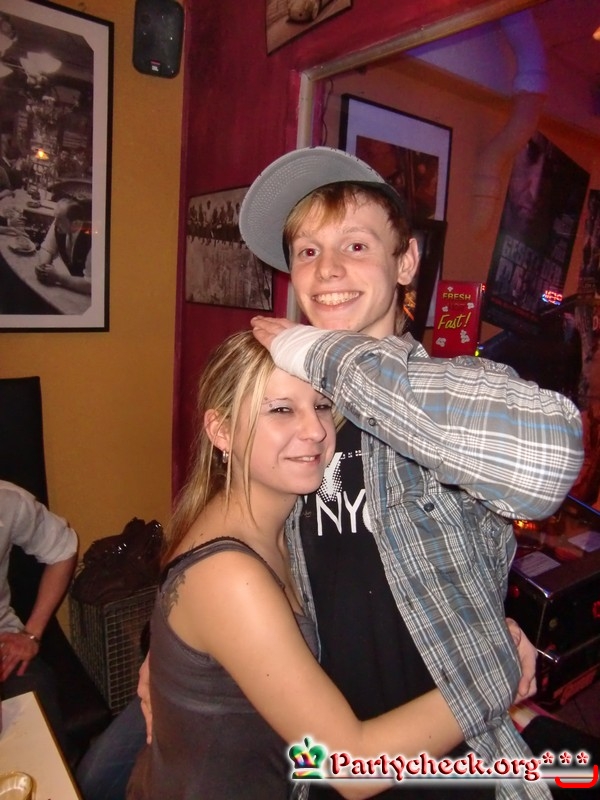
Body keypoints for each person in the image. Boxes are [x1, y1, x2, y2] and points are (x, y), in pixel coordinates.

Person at [77, 148, 583, 800]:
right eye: (308, 251)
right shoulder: (301, 414)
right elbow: (233, 554)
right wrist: (172, 656)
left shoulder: (457, 394)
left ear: (406, 261)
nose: (329, 269)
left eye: (356, 245)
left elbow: (549, 464)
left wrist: (320, 349)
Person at [126, 330, 469, 800]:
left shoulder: (281, 520)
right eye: (282, 410)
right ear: (221, 430)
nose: (316, 430)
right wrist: (495, 681)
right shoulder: (230, 577)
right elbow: (351, 768)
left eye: (322, 405)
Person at [0, 479, 78, 757]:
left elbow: (63, 549)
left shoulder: (7, 500)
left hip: (5, 642)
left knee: (36, 691)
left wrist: (31, 633)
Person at [35, 198, 92, 295]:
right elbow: (47, 248)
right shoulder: (59, 224)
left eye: (60, 220)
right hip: (71, 285)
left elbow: (91, 285)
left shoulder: (93, 240)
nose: (55, 223)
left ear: (75, 224)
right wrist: (43, 267)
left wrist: (58, 277)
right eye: (56, 218)